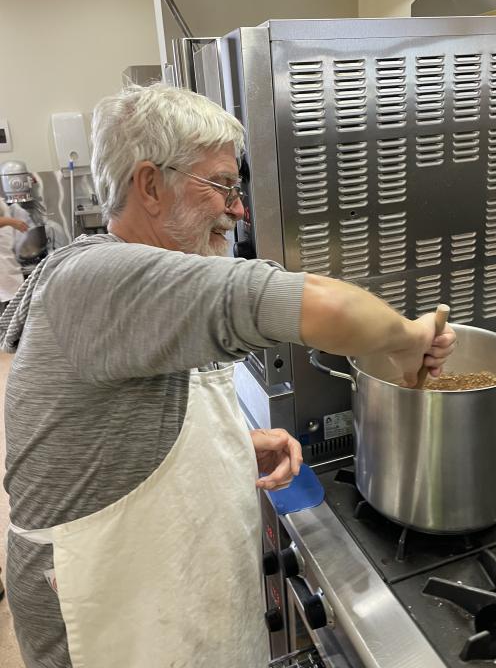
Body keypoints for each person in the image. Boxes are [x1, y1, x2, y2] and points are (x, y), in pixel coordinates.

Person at [1, 84, 455, 668]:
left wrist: (225, 450)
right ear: (149, 186)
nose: (238, 210)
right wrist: (408, 341)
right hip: (110, 624)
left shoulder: (135, 281)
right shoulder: (99, 279)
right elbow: (314, 305)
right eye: (221, 185)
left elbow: (110, 435)